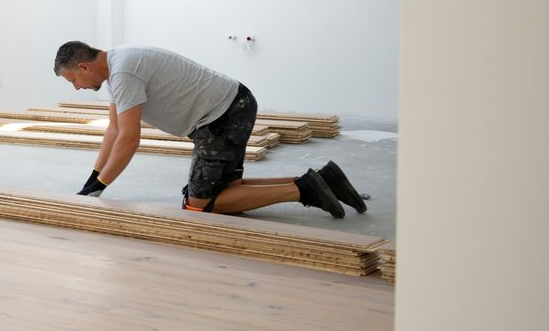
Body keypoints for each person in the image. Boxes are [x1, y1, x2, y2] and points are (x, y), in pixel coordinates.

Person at [51, 41, 366, 218]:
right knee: (228, 188)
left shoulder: (123, 74)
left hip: (221, 116)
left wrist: (101, 186)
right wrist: (92, 182)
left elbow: (130, 140)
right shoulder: (119, 67)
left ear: (83, 67)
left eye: (73, 81)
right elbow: (114, 130)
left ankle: (304, 190)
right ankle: (325, 179)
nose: (77, 88)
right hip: (230, 107)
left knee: (199, 204)